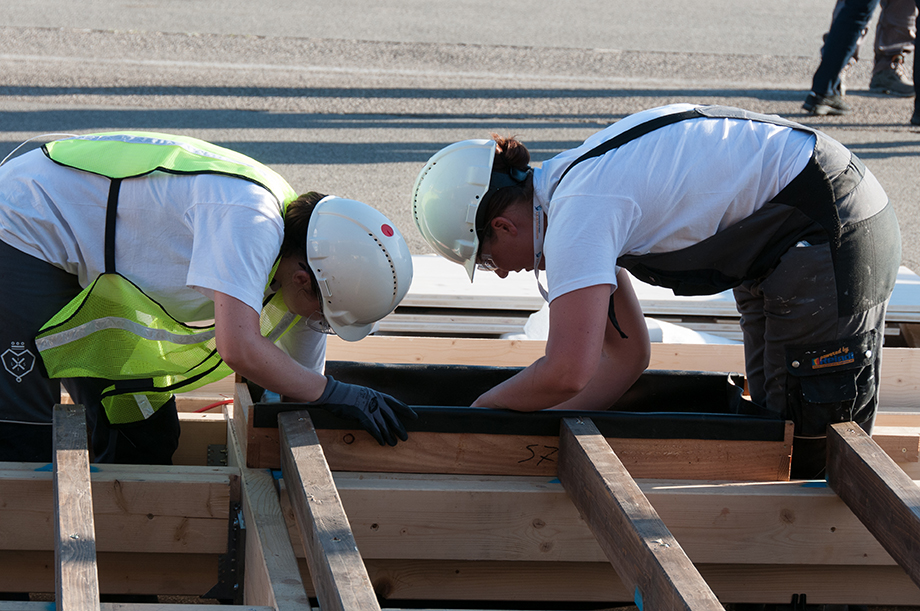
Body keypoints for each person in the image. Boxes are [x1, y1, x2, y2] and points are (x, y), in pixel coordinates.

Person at [412, 104, 901, 480]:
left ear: (502, 225)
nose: (498, 275)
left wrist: (479, 415)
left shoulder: (577, 215)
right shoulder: (566, 191)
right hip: (781, 240)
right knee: (776, 425)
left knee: (815, 449)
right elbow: (627, 358)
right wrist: (534, 434)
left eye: (489, 260)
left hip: (826, 223)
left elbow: (566, 371)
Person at [0, 131, 417, 465]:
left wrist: (317, 415)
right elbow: (239, 347)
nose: (319, 325)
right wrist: (336, 393)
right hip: (25, 223)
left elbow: (302, 380)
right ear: (303, 280)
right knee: (25, 437)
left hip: (89, 260)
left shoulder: (306, 252)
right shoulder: (250, 222)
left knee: (144, 435)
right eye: (326, 318)